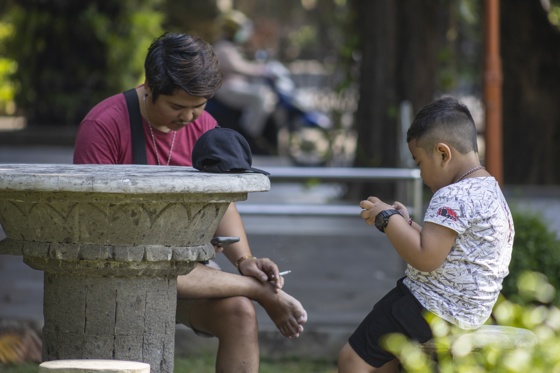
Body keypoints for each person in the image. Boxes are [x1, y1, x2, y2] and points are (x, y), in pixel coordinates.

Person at [73, 32, 307, 373]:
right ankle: (260, 293)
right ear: (149, 87)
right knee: (239, 293)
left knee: (238, 312)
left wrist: (245, 260)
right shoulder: (105, 125)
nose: (188, 118)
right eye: (177, 107)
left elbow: (220, 202)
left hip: (184, 269)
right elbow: (100, 233)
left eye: (199, 106)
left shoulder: (204, 126)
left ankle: (253, 290)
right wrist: (262, 290)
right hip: (116, 268)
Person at [338, 96, 514, 373]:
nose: (420, 174)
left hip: (430, 305)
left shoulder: (452, 195)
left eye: (419, 162)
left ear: (443, 154)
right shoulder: (488, 190)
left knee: (353, 360)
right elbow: (447, 250)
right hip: (468, 312)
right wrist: (405, 224)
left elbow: (426, 258)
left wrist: (387, 219)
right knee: (390, 363)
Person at [212, 10, 276, 139]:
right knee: (260, 97)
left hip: (236, 87)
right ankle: (247, 137)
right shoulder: (223, 48)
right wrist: (260, 70)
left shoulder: (231, 47)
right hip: (227, 89)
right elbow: (237, 67)